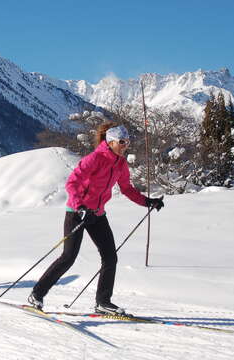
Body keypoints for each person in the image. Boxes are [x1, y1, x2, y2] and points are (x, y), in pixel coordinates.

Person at [28, 122, 164, 315]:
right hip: (77, 213)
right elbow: (72, 183)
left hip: (97, 214)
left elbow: (126, 188)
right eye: (122, 142)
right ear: (110, 142)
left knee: (110, 257)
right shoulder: (94, 159)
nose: (126, 146)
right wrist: (80, 206)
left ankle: (103, 302)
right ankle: (37, 294)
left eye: (128, 142)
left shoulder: (120, 163)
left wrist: (147, 202)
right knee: (68, 257)